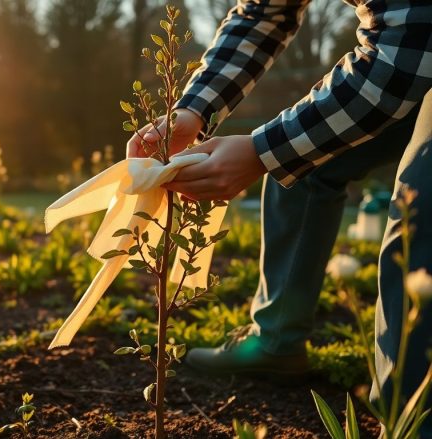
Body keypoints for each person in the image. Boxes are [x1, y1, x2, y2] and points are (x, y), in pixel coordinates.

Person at [126, 0, 431, 432]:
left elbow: (408, 45)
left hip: (413, 50)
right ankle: (277, 342)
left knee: (421, 210)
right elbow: (263, 12)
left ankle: (414, 421)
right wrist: (192, 108)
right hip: (412, 55)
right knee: (303, 161)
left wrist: (260, 150)